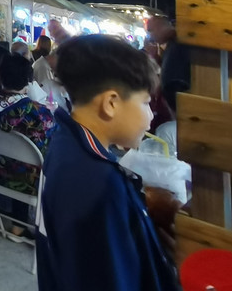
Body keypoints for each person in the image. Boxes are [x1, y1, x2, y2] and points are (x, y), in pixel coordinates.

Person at [36, 36, 181, 291]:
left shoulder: (66, 142)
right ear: (111, 103)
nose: (151, 115)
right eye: (146, 102)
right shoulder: (99, 183)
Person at [0, 53, 58, 237]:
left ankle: (13, 220)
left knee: (19, 158)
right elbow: (52, 138)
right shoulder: (35, 111)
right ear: (27, 81)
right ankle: (34, 229)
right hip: (27, 180)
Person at [146, 16, 190, 114]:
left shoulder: (181, 41)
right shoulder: (172, 44)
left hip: (182, 105)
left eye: (151, 30)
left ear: (159, 27)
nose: (150, 36)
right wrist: (156, 57)